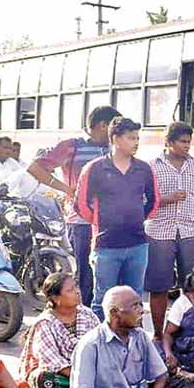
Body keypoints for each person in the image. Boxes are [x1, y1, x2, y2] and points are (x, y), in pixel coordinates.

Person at [67, 286, 191, 388]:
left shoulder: (140, 335)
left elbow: (161, 376)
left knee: (182, 385)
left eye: (141, 304)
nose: (142, 310)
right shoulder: (90, 344)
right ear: (114, 313)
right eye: (135, 306)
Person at [27, 105, 122, 307]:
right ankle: (84, 316)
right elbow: (36, 167)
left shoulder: (113, 147)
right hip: (82, 221)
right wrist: (67, 189)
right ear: (103, 125)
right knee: (87, 272)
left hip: (111, 220)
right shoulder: (72, 146)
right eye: (114, 126)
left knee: (110, 273)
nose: (117, 132)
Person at [145, 122, 194, 342]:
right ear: (169, 142)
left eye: (189, 141)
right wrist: (167, 199)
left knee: (192, 286)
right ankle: (158, 333)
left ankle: (186, 333)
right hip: (159, 232)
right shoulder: (151, 166)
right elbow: (143, 200)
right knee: (159, 286)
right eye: (182, 141)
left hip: (191, 232)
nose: (187, 146)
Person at [75, 117, 159, 321]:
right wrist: (100, 223)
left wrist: (138, 218)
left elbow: (154, 202)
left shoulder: (144, 169)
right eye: (131, 138)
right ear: (115, 139)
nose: (136, 142)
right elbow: (80, 205)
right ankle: (100, 346)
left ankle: (134, 347)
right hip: (106, 246)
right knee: (103, 300)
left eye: (137, 138)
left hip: (138, 244)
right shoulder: (94, 168)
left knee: (135, 300)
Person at [18, 273, 100, 388]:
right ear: (56, 298)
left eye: (76, 287)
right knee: (45, 380)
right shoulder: (45, 323)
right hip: (64, 374)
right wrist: (86, 379)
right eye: (70, 290)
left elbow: (101, 346)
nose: (77, 292)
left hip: (88, 371)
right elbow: (54, 363)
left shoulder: (87, 314)